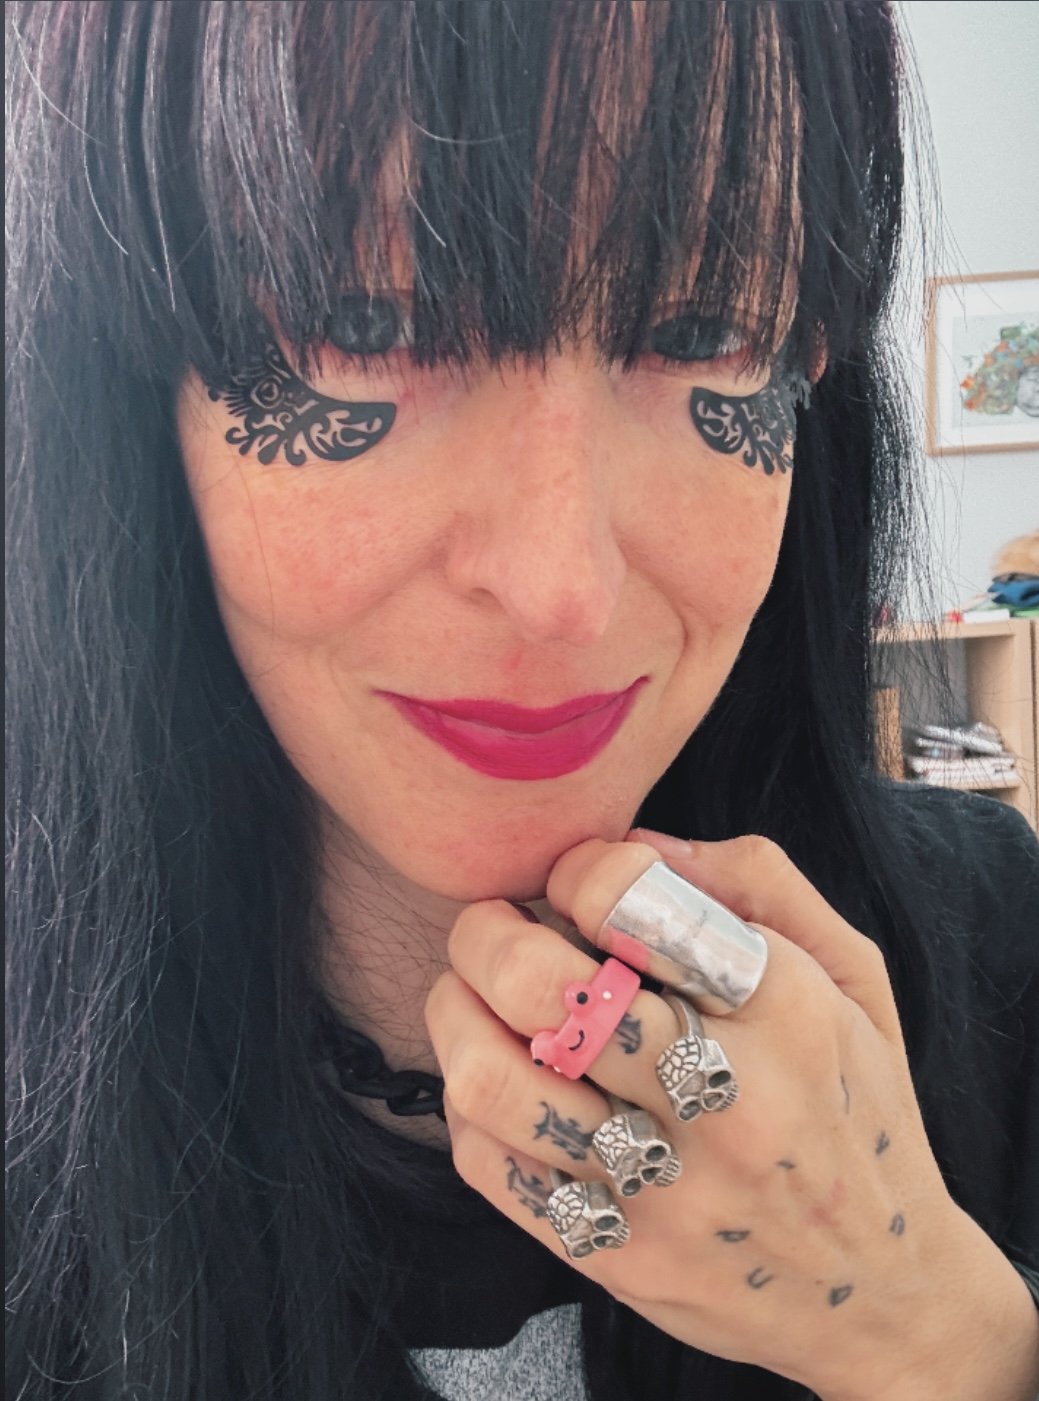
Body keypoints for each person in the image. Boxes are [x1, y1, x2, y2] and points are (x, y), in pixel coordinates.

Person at [6, 3, 1038, 1398]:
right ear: (136, 392)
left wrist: (938, 1334)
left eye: (703, 324)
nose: (563, 584)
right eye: (366, 319)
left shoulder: (997, 949)